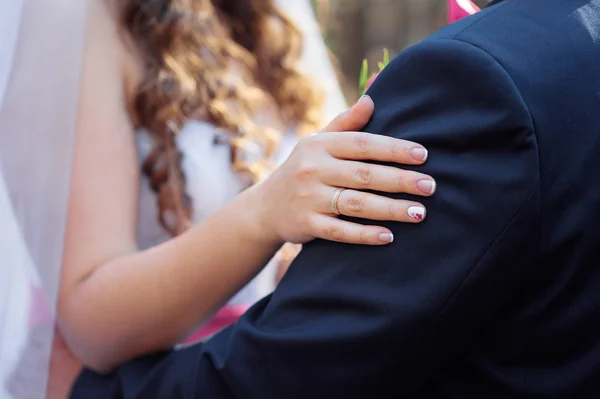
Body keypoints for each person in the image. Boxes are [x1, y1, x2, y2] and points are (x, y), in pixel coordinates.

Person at [70, 0, 600, 397]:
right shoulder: (91, 23)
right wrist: (263, 215)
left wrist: (317, 263)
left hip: (297, 339)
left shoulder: (275, 17)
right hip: (180, 364)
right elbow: (86, 314)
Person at [0, 0, 436, 398]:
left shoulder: (264, 15)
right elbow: (89, 320)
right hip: (125, 385)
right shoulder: (71, 17)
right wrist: (266, 213)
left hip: (248, 367)